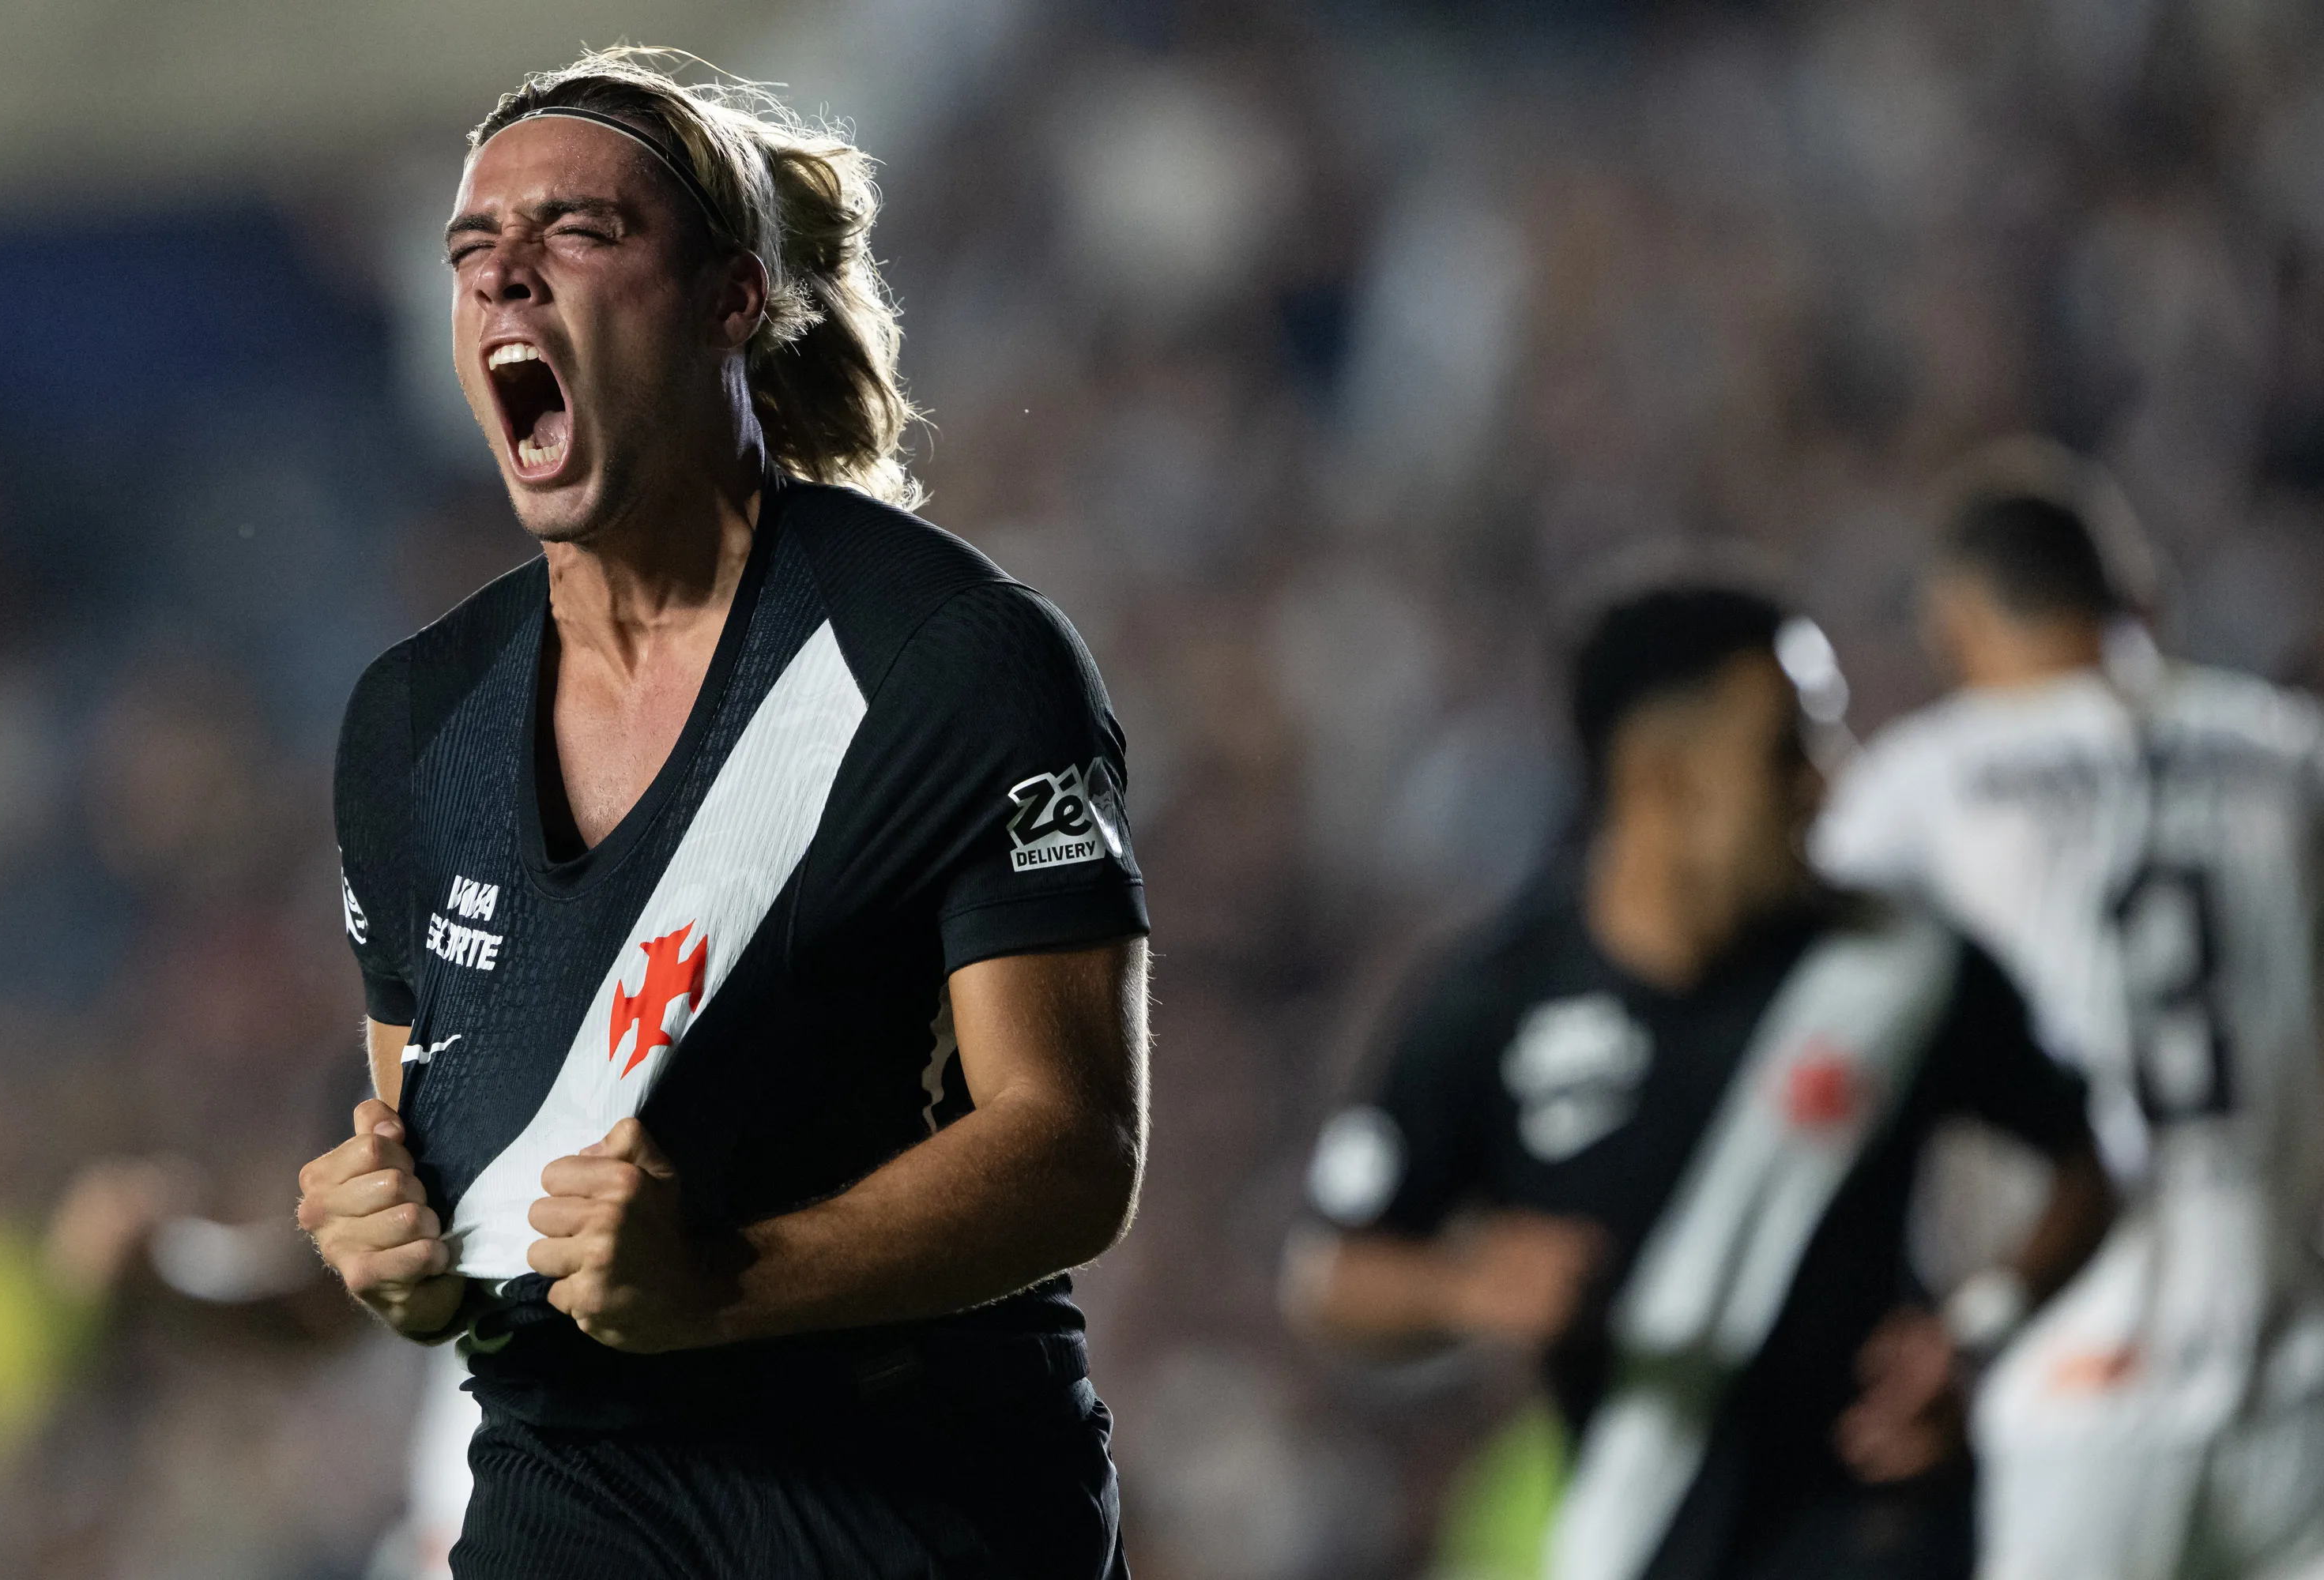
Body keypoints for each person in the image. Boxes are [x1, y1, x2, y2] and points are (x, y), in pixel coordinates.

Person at [292, 48, 1149, 1579]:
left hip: (916, 1494)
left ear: (732, 301)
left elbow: (1074, 1144)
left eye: (579, 234)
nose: (507, 281)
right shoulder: (409, 725)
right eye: (474, 253)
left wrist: (726, 1282)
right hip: (575, 1483)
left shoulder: (950, 660)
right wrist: (403, 1263)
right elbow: (450, 1168)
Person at [1284, 582, 2115, 1580]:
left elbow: (2089, 1162)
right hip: (1645, 1537)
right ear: (1664, 781)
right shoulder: (1495, 1001)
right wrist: (1467, 1283)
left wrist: (1979, 1332)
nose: (1830, 782)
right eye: (1789, 748)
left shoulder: (1900, 967)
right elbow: (1332, 1274)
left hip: (1888, 1527)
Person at [1813, 447, 2324, 1580]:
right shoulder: (2286, 753)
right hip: (2296, 1371)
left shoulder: (1929, 785)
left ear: (1957, 623)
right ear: (2135, 602)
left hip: (2072, 1376)